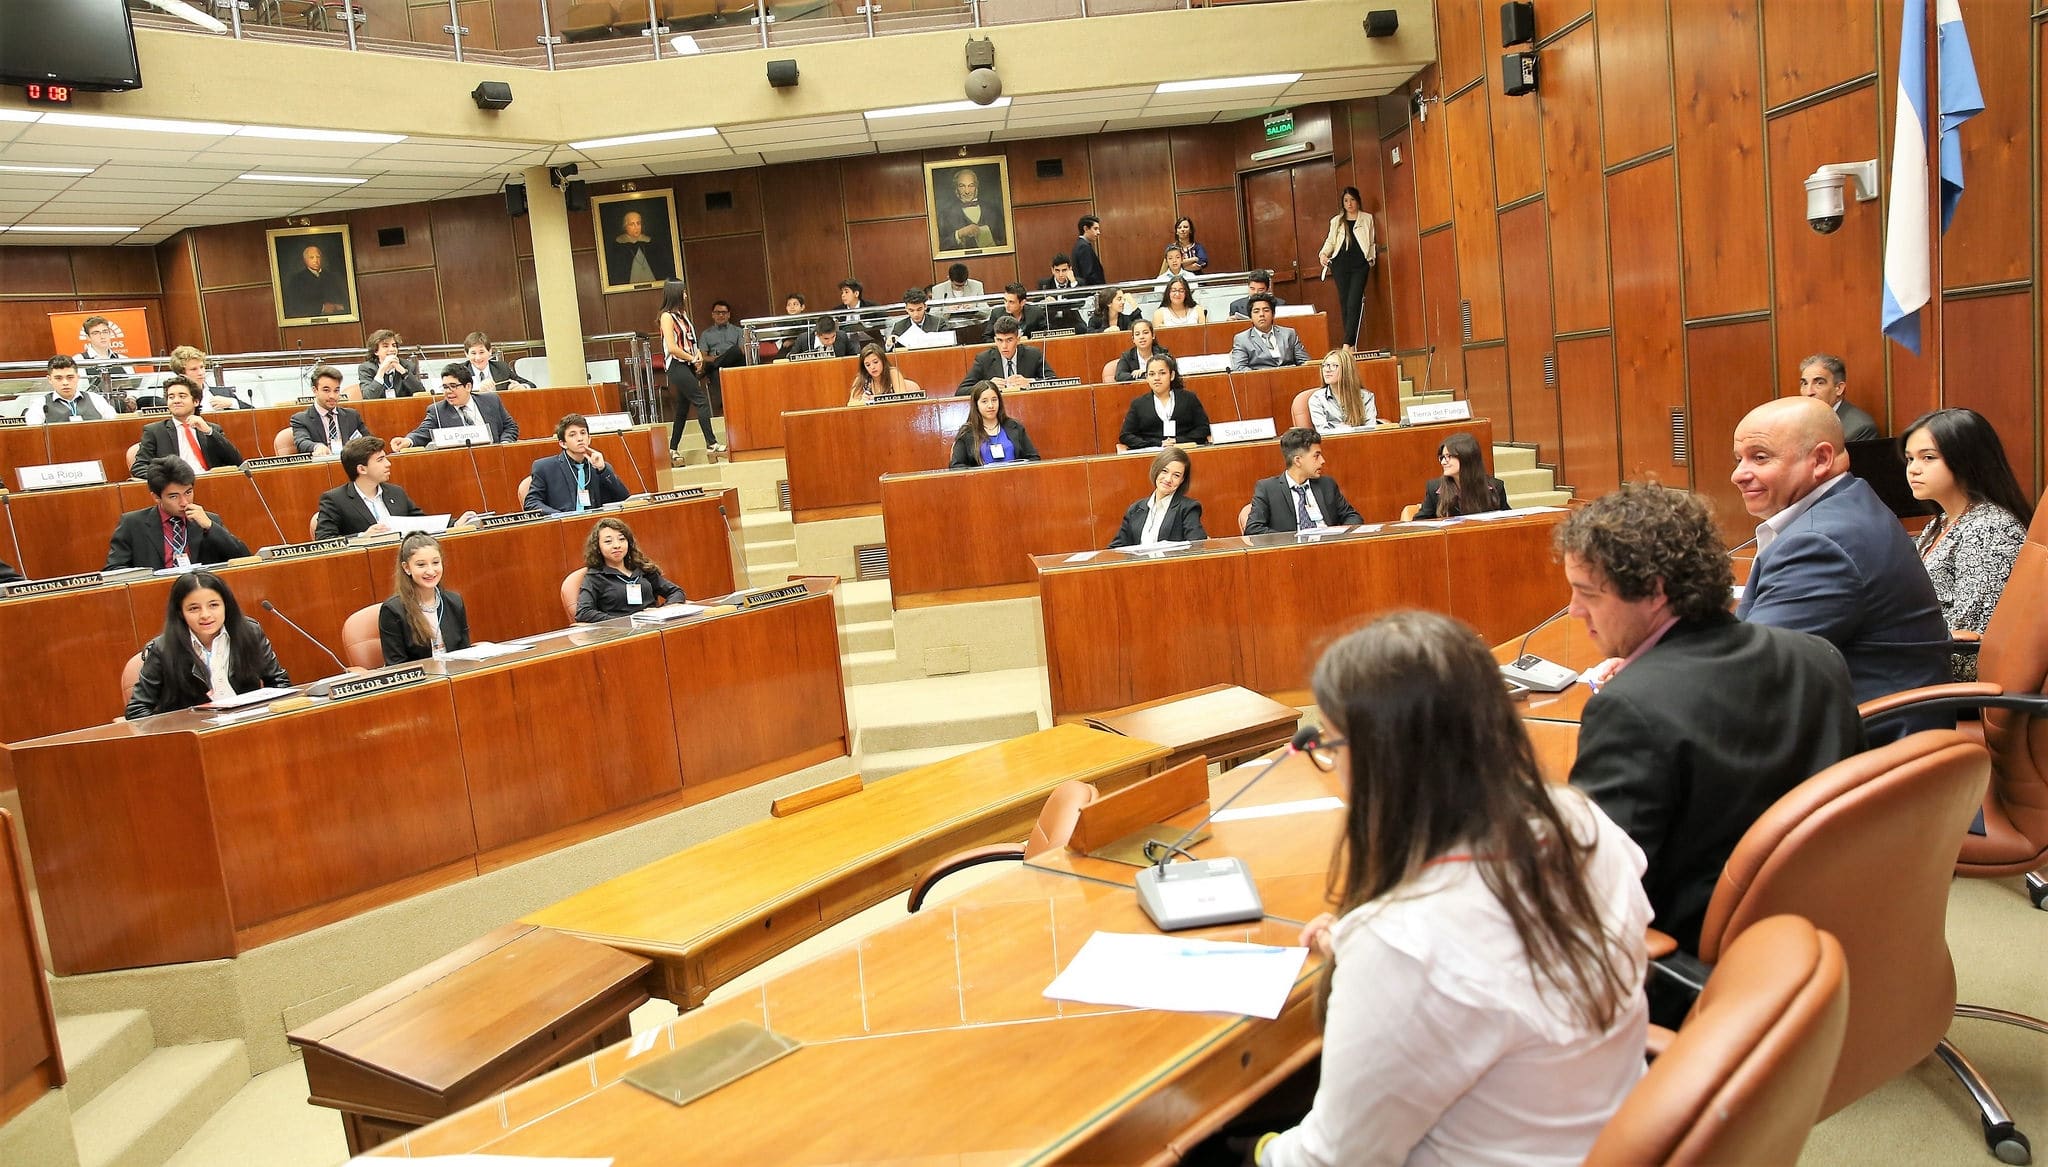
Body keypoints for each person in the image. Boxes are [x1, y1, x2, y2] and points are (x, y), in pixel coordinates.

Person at [1250, 611, 1650, 1167]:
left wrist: (1254, 1152)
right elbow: (1500, 961)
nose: (1330, 761)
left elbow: (1331, 1161)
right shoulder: (1577, 821)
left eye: (1333, 745)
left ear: (1381, 760)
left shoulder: (1405, 945)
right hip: (1594, 1127)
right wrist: (1370, 955)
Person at [1557, 483, 1862, 956]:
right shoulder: (1816, 657)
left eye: (1587, 594)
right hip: (1823, 938)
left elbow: (1593, 897)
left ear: (1655, 592)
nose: (1575, 611)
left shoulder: (1631, 708)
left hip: (1695, 969)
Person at [1733, 396, 1950, 734]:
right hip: (1868, 722)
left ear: (1821, 459)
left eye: (1759, 458)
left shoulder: (1820, 543)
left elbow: (1748, 675)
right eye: (1739, 459)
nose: (1738, 475)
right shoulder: (1849, 502)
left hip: (1865, 744)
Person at [1902, 408, 2034, 680]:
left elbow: (1972, 634)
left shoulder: (1990, 528)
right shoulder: (1940, 522)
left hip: (1949, 674)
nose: (1913, 469)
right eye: (1910, 458)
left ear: (1965, 460)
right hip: (1920, 659)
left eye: (1928, 458)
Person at [125, 571, 291, 719]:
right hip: (195, 739)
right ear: (180, 613)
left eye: (213, 605)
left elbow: (279, 683)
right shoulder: (163, 648)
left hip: (248, 726)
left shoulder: (249, 632)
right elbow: (137, 711)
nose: (205, 615)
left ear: (226, 605)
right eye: (194, 608)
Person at [107, 458, 252, 571]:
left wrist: (210, 527)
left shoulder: (208, 520)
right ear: (156, 497)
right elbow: (114, 569)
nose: (184, 502)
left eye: (188, 492)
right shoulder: (132, 523)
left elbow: (244, 558)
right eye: (174, 496)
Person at [1245, 427, 1363, 533]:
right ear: (1298, 461)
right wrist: (1292, 540)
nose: (1322, 461)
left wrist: (1338, 534)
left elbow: (1353, 516)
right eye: (1316, 456)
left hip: (1329, 549)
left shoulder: (1327, 485)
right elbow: (1253, 529)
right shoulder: (1268, 489)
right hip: (1292, 554)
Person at [574, 517, 687, 622]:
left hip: (653, 626)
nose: (617, 545)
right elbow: (583, 612)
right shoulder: (595, 577)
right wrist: (623, 622)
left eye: (622, 539)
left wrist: (662, 611)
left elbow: (676, 592)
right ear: (597, 547)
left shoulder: (642, 569)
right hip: (621, 633)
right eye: (608, 541)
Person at [379, 533, 470, 663]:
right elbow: (397, 665)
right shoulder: (393, 610)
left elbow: (465, 653)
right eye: (421, 565)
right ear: (406, 568)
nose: (431, 571)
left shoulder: (454, 602)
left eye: (435, 563)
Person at [130, 376, 244, 478]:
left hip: (210, 484)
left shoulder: (211, 429)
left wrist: (209, 432)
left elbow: (236, 462)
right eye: (171, 397)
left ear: (196, 401)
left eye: (182, 396)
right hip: (176, 487)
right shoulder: (155, 431)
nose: (176, 401)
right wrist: (169, 478)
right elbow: (139, 467)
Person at [658, 280, 722, 458]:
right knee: (701, 400)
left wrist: (698, 356)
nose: (686, 295)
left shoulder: (683, 314)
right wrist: (692, 358)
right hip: (676, 365)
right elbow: (672, 347)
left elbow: (690, 341)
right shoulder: (666, 317)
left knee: (682, 408)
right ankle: (712, 444)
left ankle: (672, 449)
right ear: (675, 294)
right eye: (683, 292)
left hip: (688, 363)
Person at [315, 437, 427, 539]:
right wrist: (362, 537)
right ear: (362, 469)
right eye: (380, 460)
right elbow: (325, 539)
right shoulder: (335, 500)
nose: (388, 464)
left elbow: (422, 523)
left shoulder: (396, 492)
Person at [526, 413, 630, 515]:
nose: (580, 438)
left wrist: (603, 469)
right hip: (562, 526)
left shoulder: (600, 467)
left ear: (589, 439)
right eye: (572, 435)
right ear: (563, 443)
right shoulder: (545, 468)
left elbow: (624, 499)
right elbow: (531, 503)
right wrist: (559, 516)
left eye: (583, 433)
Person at [1108, 447, 1207, 549]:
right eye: (1164, 471)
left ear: (1182, 480)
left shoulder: (1188, 508)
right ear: (1156, 470)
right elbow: (1116, 549)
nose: (1168, 479)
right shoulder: (1135, 509)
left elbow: (1197, 547)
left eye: (1176, 475)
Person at [400, 364, 518, 448]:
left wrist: (505, 445)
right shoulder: (438, 410)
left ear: (468, 387)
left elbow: (510, 427)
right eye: (445, 387)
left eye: (453, 386)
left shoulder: (491, 400)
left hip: (494, 457)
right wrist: (408, 441)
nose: (448, 391)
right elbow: (422, 433)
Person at [1317, 186, 1377, 347]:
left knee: (1354, 301)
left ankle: (1347, 343)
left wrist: (1370, 259)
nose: (1349, 204)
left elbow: (1371, 242)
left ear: (1357, 201)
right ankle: (1351, 344)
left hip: (1360, 265)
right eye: (1345, 201)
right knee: (1345, 303)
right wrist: (1323, 254)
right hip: (1341, 265)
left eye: (1352, 200)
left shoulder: (1367, 218)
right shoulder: (1336, 221)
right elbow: (1330, 241)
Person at [1118, 355, 1211, 451]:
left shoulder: (1189, 398)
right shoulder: (1138, 404)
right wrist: (1157, 443)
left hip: (1184, 451)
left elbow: (1204, 428)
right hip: (1152, 453)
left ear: (1172, 375)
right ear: (1147, 378)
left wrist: (1177, 441)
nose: (1157, 378)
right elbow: (1125, 435)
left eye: (1162, 373)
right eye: (1152, 374)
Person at [1415, 432, 1508, 518]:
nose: (1443, 462)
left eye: (1449, 457)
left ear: (1466, 457)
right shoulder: (1434, 488)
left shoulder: (1496, 487)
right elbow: (1420, 522)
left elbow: (1509, 520)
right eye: (1442, 457)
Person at [949, 381, 1040, 468]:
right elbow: (956, 466)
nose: (990, 405)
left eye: (994, 400)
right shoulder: (967, 433)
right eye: (984, 401)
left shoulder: (1015, 427)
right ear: (976, 405)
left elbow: (1034, 458)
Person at [956, 316, 1055, 393]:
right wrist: (987, 386)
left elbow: (1054, 381)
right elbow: (961, 391)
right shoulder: (984, 359)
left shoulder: (1033, 355)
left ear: (1018, 339)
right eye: (1000, 340)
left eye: (1009, 340)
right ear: (995, 340)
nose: (1004, 346)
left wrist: (1031, 383)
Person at [290, 365, 373, 455]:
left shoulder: (352, 415)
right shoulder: (301, 419)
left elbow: (369, 441)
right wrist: (317, 447)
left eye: (336, 390)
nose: (332, 396)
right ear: (315, 390)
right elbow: (302, 442)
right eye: (326, 390)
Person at [1796, 353, 1878, 441]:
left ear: (1839, 388)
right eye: (1804, 383)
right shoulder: (1796, 421)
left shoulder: (1859, 428)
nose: (1809, 392)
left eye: (1819, 383)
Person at [1229, 293, 1311, 371]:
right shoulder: (1242, 339)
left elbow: (1305, 362)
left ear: (1273, 314)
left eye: (1266, 310)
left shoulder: (1289, 334)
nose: (1261, 314)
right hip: (1260, 382)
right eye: (1256, 311)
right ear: (1250, 317)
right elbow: (1239, 368)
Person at [27, 355, 116, 424]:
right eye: (58, 378)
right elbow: (35, 433)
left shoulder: (95, 399)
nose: (65, 382)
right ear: (50, 379)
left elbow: (113, 425)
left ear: (77, 377)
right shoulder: (40, 404)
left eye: (70, 377)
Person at [1307, 346, 1377, 431]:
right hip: (1331, 444)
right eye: (1325, 365)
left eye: (1333, 366)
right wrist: (1344, 430)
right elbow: (1322, 432)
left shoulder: (1366, 397)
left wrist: (1347, 430)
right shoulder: (1317, 399)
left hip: (1362, 442)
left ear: (1346, 370)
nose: (1327, 370)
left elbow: (1371, 428)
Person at [935, 166, 1006, 250]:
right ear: (956, 188)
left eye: (971, 186)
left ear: (976, 187)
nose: (967, 191)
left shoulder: (993, 211)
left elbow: (1005, 241)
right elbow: (939, 247)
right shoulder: (945, 215)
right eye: (962, 186)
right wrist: (959, 234)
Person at [167, 345, 250, 411]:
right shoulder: (173, 400)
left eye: (202, 367)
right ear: (181, 374)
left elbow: (254, 414)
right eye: (194, 369)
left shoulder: (224, 393)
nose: (201, 372)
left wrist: (232, 403)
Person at [281, 242, 351, 319]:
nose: (316, 260)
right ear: (305, 260)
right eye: (311, 257)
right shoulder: (297, 279)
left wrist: (338, 307)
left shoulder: (332, 277)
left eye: (318, 257)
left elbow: (344, 300)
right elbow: (295, 305)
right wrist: (323, 308)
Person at [605, 209, 673, 285]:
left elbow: (662, 268)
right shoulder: (619, 245)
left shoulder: (650, 243)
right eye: (632, 224)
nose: (636, 227)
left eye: (638, 223)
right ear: (625, 227)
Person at [75, 315, 134, 397]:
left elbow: (133, 388)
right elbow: (81, 391)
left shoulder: (123, 359)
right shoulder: (79, 360)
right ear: (88, 337)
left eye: (105, 332)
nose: (102, 336)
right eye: (96, 333)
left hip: (124, 403)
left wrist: (132, 399)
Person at [356, 330, 426, 399]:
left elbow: (421, 393)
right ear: (376, 351)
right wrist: (381, 371)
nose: (392, 349)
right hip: (379, 409)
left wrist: (403, 371)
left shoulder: (407, 366)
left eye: (394, 345)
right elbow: (368, 397)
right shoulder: (366, 368)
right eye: (386, 346)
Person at [460, 332, 535, 391]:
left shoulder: (501, 368)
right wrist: (477, 388)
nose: (478, 358)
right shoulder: (460, 371)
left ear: (490, 351)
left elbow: (531, 385)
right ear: (466, 354)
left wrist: (522, 387)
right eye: (473, 353)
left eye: (482, 352)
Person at [848, 344, 915, 405]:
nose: (872, 367)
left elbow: (902, 398)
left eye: (875, 362)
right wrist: (862, 402)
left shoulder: (893, 373)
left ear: (883, 361)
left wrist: (878, 399)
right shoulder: (861, 379)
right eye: (868, 365)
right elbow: (850, 404)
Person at [787, 314, 860, 359]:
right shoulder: (803, 340)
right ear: (817, 334)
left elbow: (853, 359)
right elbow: (790, 359)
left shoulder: (842, 336)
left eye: (833, 336)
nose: (831, 341)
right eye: (826, 338)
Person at [1072, 215, 1106, 286]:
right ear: (1085, 228)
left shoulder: (1081, 245)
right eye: (1095, 229)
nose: (1098, 232)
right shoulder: (1083, 247)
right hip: (1092, 291)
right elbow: (1089, 274)